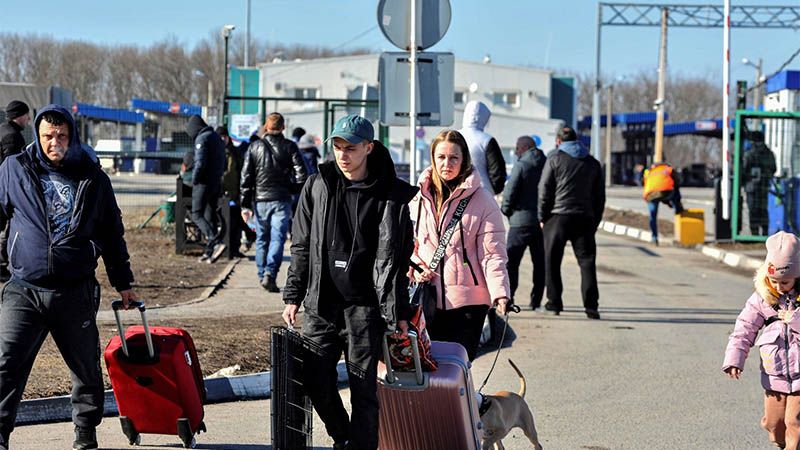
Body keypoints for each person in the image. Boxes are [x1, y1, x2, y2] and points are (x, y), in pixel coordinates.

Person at [0, 105, 137, 450]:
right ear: (37, 135)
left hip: (74, 290)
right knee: (6, 364)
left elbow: (111, 233)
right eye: (48, 136)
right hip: (24, 290)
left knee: (86, 369)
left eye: (61, 136)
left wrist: (124, 283)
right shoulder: (14, 169)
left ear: (72, 136)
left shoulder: (92, 178)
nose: (54, 142)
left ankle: (85, 434)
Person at [282, 114, 416, 450]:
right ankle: (343, 436)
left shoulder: (390, 196)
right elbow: (300, 245)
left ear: (369, 148)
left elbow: (396, 262)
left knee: (363, 391)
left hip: (365, 308)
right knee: (314, 380)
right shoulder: (318, 184)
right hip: (321, 304)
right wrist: (293, 295)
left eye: (351, 148)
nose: (343, 154)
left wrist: (399, 310)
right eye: (337, 146)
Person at [410, 129, 510, 361]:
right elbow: (412, 244)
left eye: (454, 157)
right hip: (429, 299)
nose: (447, 164)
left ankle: (465, 398)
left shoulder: (483, 201)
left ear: (464, 159)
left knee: (457, 367)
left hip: (468, 305)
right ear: (433, 159)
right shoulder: (419, 197)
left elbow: (492, 254)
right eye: (441, 157)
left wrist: (500, 293)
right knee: (430, 370)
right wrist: (416, 267)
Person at [723, 231, 800, 449]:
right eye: (773, 280)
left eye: (785, 281)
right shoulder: (762, 298)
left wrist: (796, 321)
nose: (778, 286)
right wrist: (734, 359)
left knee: (795, 422)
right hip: (774, 376)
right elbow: (744, 329)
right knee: (775, 426)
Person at [538, 126, 605, 319]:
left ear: (559, 141)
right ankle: (591, 306)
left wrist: (542, 216)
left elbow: (544, 190)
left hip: (557, 217)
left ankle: (554, 303)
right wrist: (595, 220)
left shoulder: (555, 159)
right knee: (587, 262)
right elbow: (600, 196)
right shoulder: (592, 163)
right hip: (584, 218)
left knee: (552, 262)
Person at [240, 113, 308, 292]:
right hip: (282, 199)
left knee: (262, 238)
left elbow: (246, 177)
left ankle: (262, 274)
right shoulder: (290, 147)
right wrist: (290, 189)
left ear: (266, 126)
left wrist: (245, 204)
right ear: (283, 127)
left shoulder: (254, 147)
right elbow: (302, 175)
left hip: (260, 199)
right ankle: (270, 273)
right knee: (278, 237)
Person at [502, 135, 547, 310]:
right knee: (540, 263)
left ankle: (510, 297)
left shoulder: (521, 166)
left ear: (526, 147)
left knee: (512, 262)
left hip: (519, 222)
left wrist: (506, 210)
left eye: (518, 148)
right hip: (541, 223)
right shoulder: (547, 163)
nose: (516, 151)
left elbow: (510, 191)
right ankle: (536, 301)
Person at [186, 115, 226, 263]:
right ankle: (210, 252)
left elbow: (200, 162)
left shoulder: (202, 139)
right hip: (216, 182)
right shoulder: (216, 138)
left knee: (196, 214)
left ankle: (214, 241)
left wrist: (194, 179)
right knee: (209, 216)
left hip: (203, 183)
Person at [0, 101, 31, 282]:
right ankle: (3, 264)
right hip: (5, 189)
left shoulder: (3, 130)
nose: (28, 119)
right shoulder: (13, 137)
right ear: (20, 115)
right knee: (8, 226)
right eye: (27, 115)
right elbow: (13, 169)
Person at [217, 126, 256, 256]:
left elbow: (237, 172)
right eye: (220, 137)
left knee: (235, 221)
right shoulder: (218, 152)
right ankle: (233, 246)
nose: (223, 139)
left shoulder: (234, 152)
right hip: (223, 192)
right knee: (231, 220)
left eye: (224, 136)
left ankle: (234, 247)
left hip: (234, 192)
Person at [459, 100, 506, 195]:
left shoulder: (452, 137)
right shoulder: (487, 140)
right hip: (482, 193)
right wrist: (494, 189)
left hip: (455, 192)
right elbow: (497, 171)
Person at [642, 160, 684, 245]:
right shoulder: (668, 169)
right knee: (675, 191)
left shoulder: (650, 171)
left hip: (651, 195)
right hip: (666, 192)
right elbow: (678, 181)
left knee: (653, 216)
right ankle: (677, 208)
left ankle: (654, 238)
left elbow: (643, 182)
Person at [743, 131, 776, 236]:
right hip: (764, 186)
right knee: (763, 210)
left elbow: (743, 170)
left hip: (751, 187)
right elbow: (774, 169)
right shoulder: (769, 153)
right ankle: (765, 233)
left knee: (753, 211)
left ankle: (755, 234)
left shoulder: (749, 154)